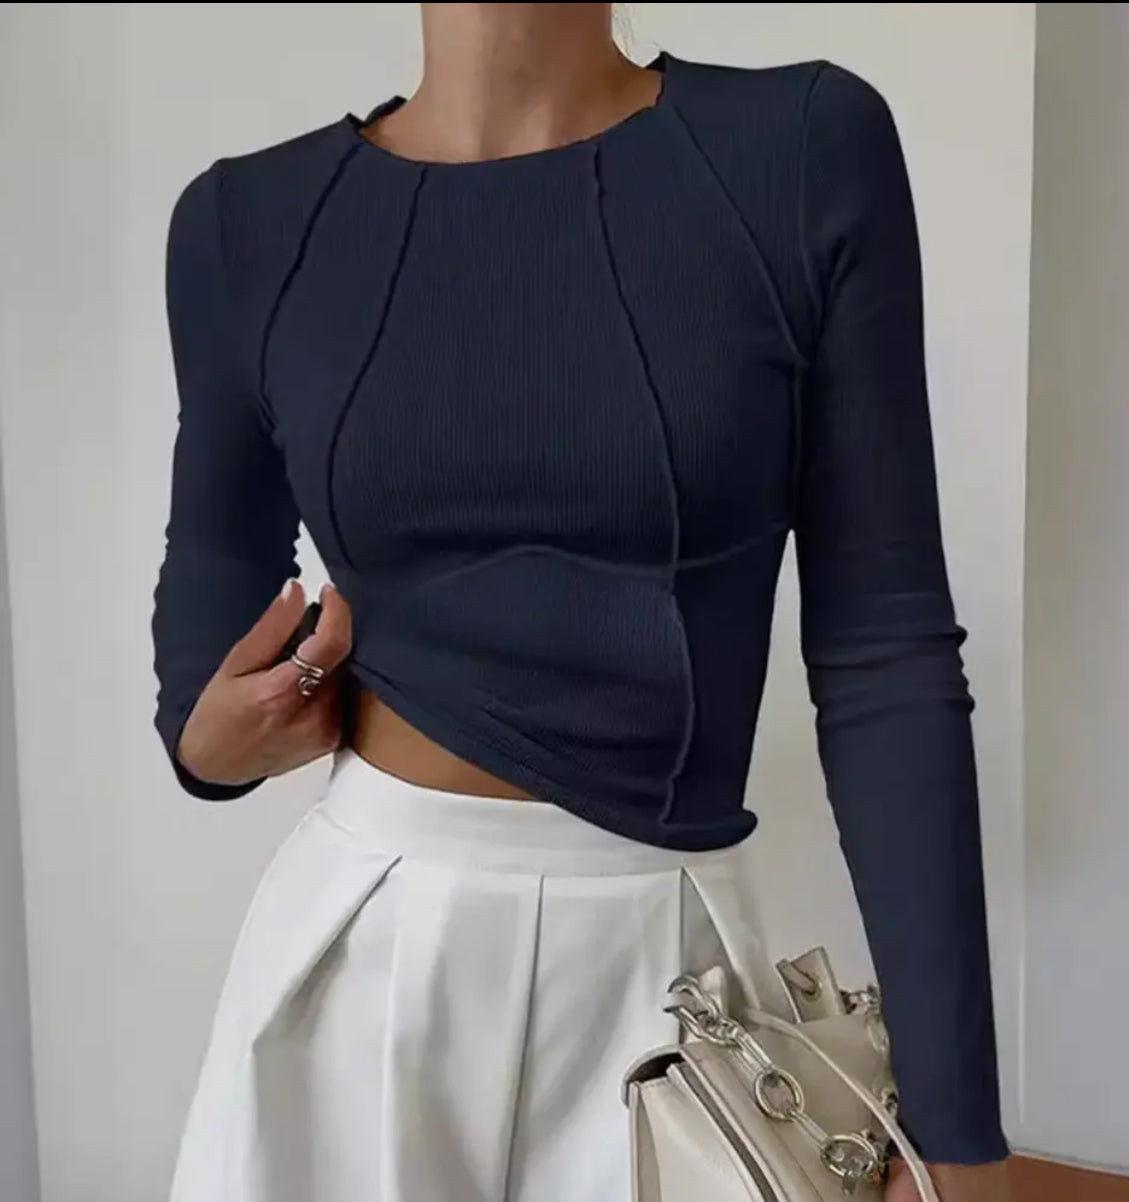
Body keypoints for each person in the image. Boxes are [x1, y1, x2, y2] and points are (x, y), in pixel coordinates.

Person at [153, 4, 1012, 1200]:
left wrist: (957, 1130)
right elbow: (207, 605)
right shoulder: (243, 221)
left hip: (663, 982)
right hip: (358, 966)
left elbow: (888, 652)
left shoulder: (803, 150)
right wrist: (212, 735)